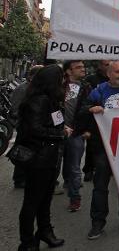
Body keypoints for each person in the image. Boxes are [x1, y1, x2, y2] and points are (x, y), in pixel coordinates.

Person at [79, 61, 119, 240]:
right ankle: (97, 223)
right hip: (103, 148)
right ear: (109, 74)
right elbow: (82, 111)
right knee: (100, 186)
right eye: (117, 72)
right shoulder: (97, 92)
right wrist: (91, 110)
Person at [17, 65, 66, 250]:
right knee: (32, 202)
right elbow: (35, 129)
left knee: (45, 200)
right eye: (60, 78)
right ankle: (27, 242)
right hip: (39, 159)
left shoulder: (51, 100)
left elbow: (54, 122)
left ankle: (45, 231)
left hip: (49, 158)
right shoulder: (38, 101)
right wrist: (59, 134)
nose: (63, 81)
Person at [10, 65, 43, 189]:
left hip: (35, 126)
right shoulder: (22, 89)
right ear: (32, 76)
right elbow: (15, 109)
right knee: (23, 152)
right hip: (24, 126)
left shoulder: (38, 89)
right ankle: (19, 179)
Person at [62, 60, 88, 213]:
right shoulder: (59, 87)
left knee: (75, 167)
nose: (82, 69)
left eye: (83, 66)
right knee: (60, 164)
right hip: (58, 132)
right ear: (69, 71)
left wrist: (85, 129)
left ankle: (74, 197)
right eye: (78, 67)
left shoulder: (86, 88)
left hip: (77, 132)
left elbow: (88, 109)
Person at [82, 60, 110, 183]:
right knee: (92, 146)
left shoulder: (113, 79)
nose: (108, 67)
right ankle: (88, 169)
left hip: (109, 119)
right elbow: (86, 101)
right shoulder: (91, 80)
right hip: (93, 118)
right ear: (100, 66)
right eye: (106, 64)